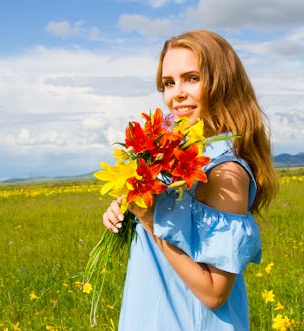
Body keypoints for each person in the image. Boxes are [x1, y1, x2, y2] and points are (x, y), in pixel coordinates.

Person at [102, 30, 278, 330]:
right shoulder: (175, 157)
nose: (177, 93)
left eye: (192, 78)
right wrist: (124, 207)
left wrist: (147, 218)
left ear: (223, 83)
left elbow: (214, 293)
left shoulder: (225, 173)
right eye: (169, 83)